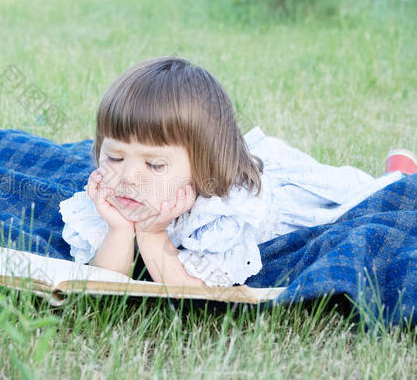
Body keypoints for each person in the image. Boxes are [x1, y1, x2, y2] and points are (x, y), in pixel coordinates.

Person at [58, 56, 410, 288]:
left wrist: (151, 234)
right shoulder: (115, 195)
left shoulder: (221, 214)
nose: (129, 177)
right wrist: (120, 229)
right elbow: (104, 286)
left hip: (282, 191)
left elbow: (192, 293)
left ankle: (400, 172)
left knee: (358, 194)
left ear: (202, 166)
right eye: (115, 157)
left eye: (154, 164)